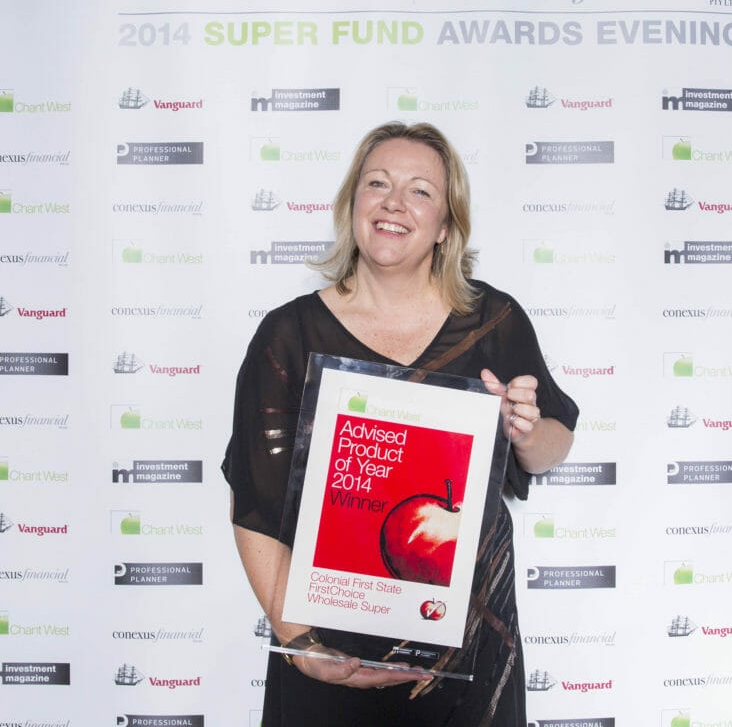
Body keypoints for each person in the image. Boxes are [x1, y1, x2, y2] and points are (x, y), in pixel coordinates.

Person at [222, 121, 578, 726]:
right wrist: (300, 641)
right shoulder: (288, 335)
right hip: (330, 641)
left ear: (445, 227)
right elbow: (252, 499)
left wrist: (526, 428)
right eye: (377, 183)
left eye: (420, 191)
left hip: (465, 648)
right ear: (352, 205)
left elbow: (550, 448)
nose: (393, 203)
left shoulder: (493, 320)